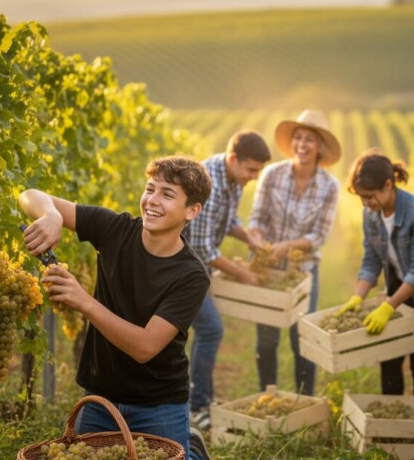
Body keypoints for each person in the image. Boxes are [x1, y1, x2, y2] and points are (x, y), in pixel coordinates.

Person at [18, 156, 214, 460]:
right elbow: (29, 195)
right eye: (150, 189)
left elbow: (145, 347)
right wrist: (51, 215)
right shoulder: (115, 229)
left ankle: (193, 451)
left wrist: (83, 300)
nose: (152, 200)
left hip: (159, 405)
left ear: (192, 211)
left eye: (167, 194)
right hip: (100, 399)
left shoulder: (191, 275)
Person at [337, 150, 414, 422]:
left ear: (388, 185)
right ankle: (390, 422)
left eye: (370, 196)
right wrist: (357, 297)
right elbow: (371, 261)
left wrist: (388, 306)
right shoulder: (371, 215)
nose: (366, 203)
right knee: (388, 354)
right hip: (400, 287)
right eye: (361, 198)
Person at [247, 109, 340, 396]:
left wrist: (286, 246)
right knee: (266, 340)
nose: (302, 144)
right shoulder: (272, 175)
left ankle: (303, 401)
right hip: (270, 270)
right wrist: (260, 242)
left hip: (303, 272)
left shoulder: (329, 186)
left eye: (309, 139)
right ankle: (268, 396)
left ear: (320, 147)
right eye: (298, 138)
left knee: (302, 338)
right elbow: (257, 218)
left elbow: (318, 236)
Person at [183, 130, 271, 429]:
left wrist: (249, 239)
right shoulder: (208, 182)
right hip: (178, 268)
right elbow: (202, 248)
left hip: (196, 268)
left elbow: (229, 219)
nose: (254, 177)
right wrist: (243, 274)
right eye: (251, 170)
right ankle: (197, 406)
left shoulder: (233, 180)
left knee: (200, 331)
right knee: (210, 329)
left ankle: (197, 401)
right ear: (234, 159)